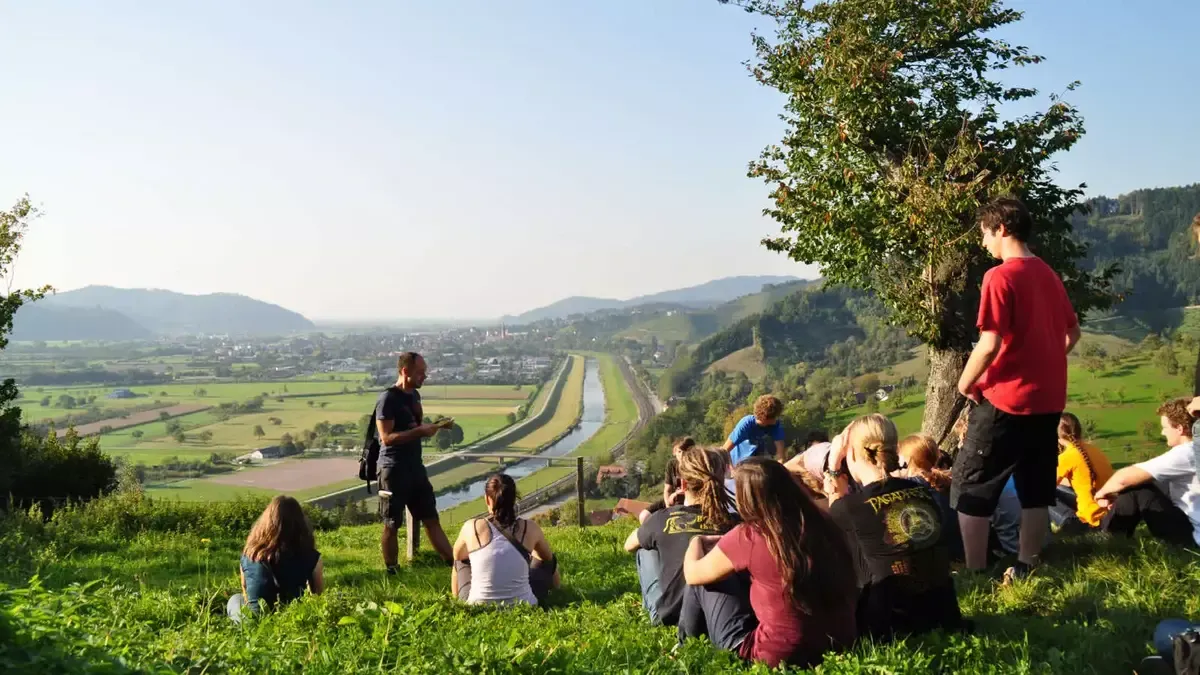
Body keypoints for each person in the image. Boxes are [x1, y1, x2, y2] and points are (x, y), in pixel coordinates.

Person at [953, 197, 1081, 582]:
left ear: (1002, 229)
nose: (983, 243)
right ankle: (1027, 563)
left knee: (971, 482)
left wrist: (965, 382)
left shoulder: (1000, 277)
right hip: (1047, 398)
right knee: (1036, 486)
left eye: (985, 234)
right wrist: (1043, 363)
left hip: (1006, 399)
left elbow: (989, 343)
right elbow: (1072, 332)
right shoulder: (1047, 273)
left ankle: (975, 570)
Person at [680, 458, 858, 669]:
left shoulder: (749, 535)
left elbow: (693, 574)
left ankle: (685, 646)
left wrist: (696, 542)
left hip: (777, 656)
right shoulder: (824, 522)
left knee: (704, 582)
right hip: (841, 643)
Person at [825, 415, 964, 640]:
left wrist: (833, 467)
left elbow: (834, 534)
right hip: (943, 613)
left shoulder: (849, 508)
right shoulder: (924, 492)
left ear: (850, 454)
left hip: (889, 627)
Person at [625, 447, 737, 626]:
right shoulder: (736, 523)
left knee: (644, 549)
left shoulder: (663, 517)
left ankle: (655, 607)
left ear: (683, 485)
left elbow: (628, 545)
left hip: (672, 616)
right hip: (721, 614)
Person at [376, 351, 455, 573]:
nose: (425, 376)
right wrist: (420, 431)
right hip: (393, 469)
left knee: (431, 518)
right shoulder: (388, 399)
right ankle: (392, 570)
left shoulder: (414, 397)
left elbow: (413, 427)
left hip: (415, 468)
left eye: (425, 372)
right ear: (404, 371)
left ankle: (454, 565)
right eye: (420, 372)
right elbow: (386, 438)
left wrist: (434, 426)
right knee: (392, 524)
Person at [1093, 399, 1199, 548]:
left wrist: (1101, 493)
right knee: (1147, 481)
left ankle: (1108, 540)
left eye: (1165, 427)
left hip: (1193, 538)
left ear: (1180, 429)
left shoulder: (1187, 452)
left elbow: (1124, 478)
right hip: (1190, 526)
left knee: (1136, 489)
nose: (1162, 432)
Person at [451, 474, 560, 605]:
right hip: (524, 605)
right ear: (514, 499)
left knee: (460, 560)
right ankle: (558, 593)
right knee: (549, 559)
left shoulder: (472, 526)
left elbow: (458, 555)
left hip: (478, 606)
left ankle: (456, 602)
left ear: (487, 499)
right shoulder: (529, 528)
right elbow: (546, 558)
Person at [227, 495, 324, 623]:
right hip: (291, 618)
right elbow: (317, 596)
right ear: (300, 523)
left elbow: (245, 590)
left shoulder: (250, 553)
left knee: (235, 599)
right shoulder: (311, 556)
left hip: (254, 621)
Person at [1050, 412, 1114, 532]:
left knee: (1037, 496)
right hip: (1107, 513)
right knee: (1059, 489)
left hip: (1089, 522)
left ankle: (1067, 522)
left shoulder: (1068, 456)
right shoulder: (1095, 450)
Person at [637, 438, 697, 522]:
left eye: (685, 451)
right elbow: (667, 490)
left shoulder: (696, 466)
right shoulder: (671, 465)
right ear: (675, 453)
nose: (682, 455)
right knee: (644, 516)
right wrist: (668, 505)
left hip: (690, 502)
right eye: (679, 451)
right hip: (673, 500)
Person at [723, 395, 786, 464]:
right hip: (737, 464)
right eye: (776, 416)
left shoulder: (776, 426)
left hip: (757, 463)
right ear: (767, 418)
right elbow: (725, 449)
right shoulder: (746, 424)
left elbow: (780, 455)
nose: (777, 418)